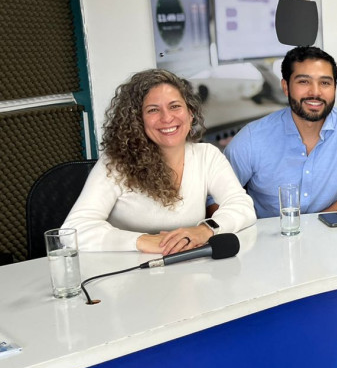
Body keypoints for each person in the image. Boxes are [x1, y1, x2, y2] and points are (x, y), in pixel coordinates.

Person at [63, 69, 255, 253]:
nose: (167, 117)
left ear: (190, 113)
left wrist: (206, 229)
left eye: (175, 106)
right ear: (138, 120)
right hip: (128, 276)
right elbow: (74, 230)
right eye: (153, 110)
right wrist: (144, 241)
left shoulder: (207, 155)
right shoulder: (116, 164)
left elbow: (242, 206)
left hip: (187, 272)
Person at [224, 46, 337, 217]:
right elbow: (217, 200)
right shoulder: (252, 138)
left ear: (334, 87)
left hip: (332, 236)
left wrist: (314, 225)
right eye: (304, 81)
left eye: (325, 83)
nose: (315, 92)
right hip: (268, 239)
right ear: (286, 86)